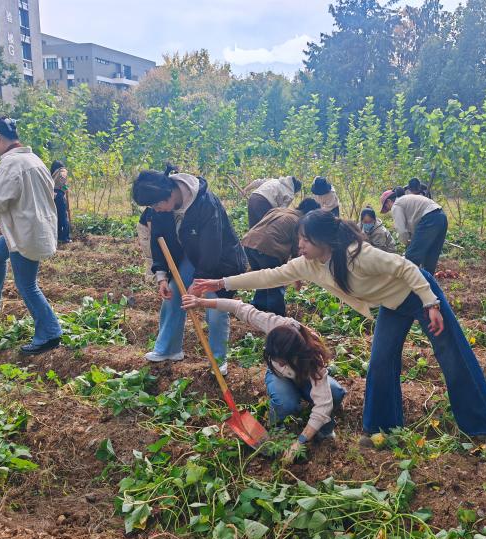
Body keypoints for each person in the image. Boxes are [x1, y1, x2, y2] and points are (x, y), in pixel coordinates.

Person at [191, 210, 486, 455]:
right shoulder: (309, 264)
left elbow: (406, 267)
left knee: (452, 356)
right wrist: (222, 283)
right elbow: (269, 276)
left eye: (305, 240)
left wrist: (431, 303)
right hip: (392, 303)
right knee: (380, 362)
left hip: (419, 294)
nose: (299, 246)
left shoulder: (359, 254)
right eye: (300, 240)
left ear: (323, 240)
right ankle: (381, 429)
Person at [181, 294, 346, 462]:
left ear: (293, 355)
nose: (277, 362)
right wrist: (201, 302)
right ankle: (276, 427)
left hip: (305, 378)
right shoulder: (277, 325)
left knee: (334, 393)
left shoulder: (312, 358)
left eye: (281, 361)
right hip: (280, 377)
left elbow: (323, 404)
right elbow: (240, 307)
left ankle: (323, 430)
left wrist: (300, 441)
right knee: (285, 403)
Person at [132, 166, 247, 375]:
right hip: (190, 255)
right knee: (173, 293)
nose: (156, 209)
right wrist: (161, 276)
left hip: (221, 259)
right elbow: (158, 241)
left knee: (215, 307)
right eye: (152, 206)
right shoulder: (160, 208)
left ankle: (218, 359)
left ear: (169, 193)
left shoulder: (204, 203)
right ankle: (169, 349)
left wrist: (199, 281)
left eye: (157, 204)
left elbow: (212, 246)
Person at [0, 117, 62, 356]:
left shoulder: (11, 164)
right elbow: (21, 188)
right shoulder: (32, 159)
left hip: (24, 233)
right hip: (32, 226)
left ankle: (50, 333)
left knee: (27, 285)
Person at [242, 198, 321, 316]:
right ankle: (277, 316)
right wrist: (297, 279)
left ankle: (257, 310)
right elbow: (297, 252)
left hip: (249, 244)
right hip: (267, 249)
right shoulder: (299, 223)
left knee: (262, 279)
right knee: (276, 282)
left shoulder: (279, 210)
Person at [381, 188, 447, 275]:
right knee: (430, 256)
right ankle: (427, 281)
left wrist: (407, 243)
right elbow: (415, 229)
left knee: (411, 257)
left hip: (429, 218)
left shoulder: (396, 205)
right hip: (441, 217)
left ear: (389, 201)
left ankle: (407, 282)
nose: (389, 210)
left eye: (387, 207)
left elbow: (402, 231)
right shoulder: (406, 199)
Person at [50, 160, 71, 244]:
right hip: (59, 195)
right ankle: (65, 238)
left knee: (56, 216)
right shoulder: (62, 170)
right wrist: (65, 189)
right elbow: (63, 182)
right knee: (63, 217)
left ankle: (58, 236)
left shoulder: (53, 173)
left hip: (52, 195)